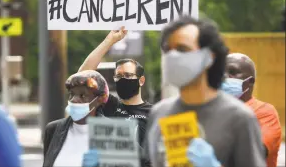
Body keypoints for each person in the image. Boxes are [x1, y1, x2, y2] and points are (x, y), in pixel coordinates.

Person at [142, 15, 267, 167]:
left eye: (182, 49)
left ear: (209, 57)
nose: (172, 57)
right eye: (168, 50)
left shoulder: (239, 118)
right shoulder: (159, 112)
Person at [78, 28, 152, 148]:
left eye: (128, 75)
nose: (123, 79)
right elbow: (82, 77)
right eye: (118, 76)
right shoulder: (111, 105)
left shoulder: (153, 113)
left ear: (141, 80)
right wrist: (109, 41)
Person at [221, 53, 282, 167]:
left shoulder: (265, 112)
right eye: (221, 72)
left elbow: (255, 152)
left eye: (232, 72)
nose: (225, 76)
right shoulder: (214, 110)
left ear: (250, 82)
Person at [42, 70, 109, 167]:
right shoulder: (53, 129)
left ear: (98, 100)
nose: (74, 99)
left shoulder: (113, 132)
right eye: (71, 94)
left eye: (82, 95)